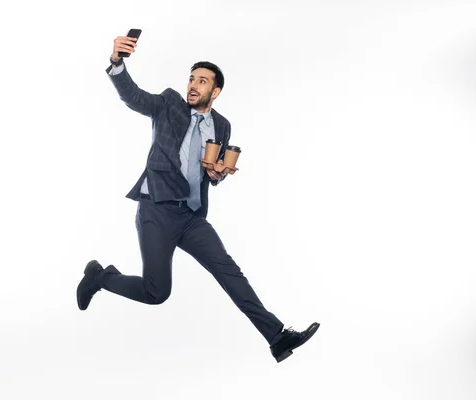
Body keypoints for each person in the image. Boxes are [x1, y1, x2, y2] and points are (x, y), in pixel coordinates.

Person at [77, 33, 320, 363]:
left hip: (190, 216)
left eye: (202, 81)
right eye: (191, 78)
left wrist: (217, 175)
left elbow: (209, 173)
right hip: (156, 209)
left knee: (229, 271)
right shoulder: (168, 104)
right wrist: (117, 63)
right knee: (156, 292)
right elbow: (133, 97)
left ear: (215, 91)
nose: (193, 85)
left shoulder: (222, 125)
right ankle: (100, 278)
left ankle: (276, 337)